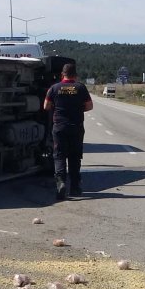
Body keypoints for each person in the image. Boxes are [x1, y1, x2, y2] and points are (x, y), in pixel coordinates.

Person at [43, 63, 93, 201]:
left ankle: (61, 183)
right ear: (75, 75)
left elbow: (46, 106)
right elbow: (89, 106)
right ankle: (75, 187)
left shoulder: (54, 88)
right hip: (76, 126)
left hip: (59, 127)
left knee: (59, 155)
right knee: (75, 156)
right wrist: (77, 109)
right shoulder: (80, 87)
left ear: (62, 75)